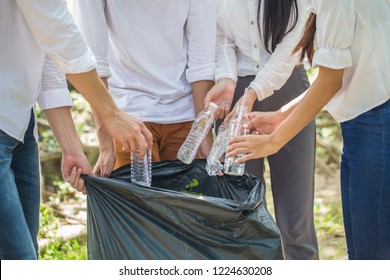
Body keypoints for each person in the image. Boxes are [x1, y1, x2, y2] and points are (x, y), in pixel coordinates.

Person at [227, 0, 390, 260]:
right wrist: (279, 117)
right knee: (360, 250)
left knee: (373, 254)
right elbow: (333, 78)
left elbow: (330, 81)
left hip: (377, 120)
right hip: (360, 122)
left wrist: (274, 141)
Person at [0, 0, 152, 260]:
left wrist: (71, 147)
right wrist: (111, 114)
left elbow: (48, 52)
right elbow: (59, 32)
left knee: (27, 255)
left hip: (18, 121)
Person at [204, 0, 318, 259]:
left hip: (289, 90)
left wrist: (252, 93)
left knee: (296, 219)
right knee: (244, 214)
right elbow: (220, 37)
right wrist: (226, 78)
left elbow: (292, 46)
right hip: (235, 94)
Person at [73, 0, 216, 176]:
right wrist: (106, 146)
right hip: (127, 118)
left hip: (187, 118)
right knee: (131, 203)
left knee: (185, 201)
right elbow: (94, 61)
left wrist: (204, 135)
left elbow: (202, 59)